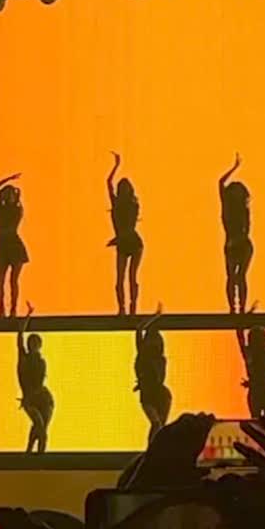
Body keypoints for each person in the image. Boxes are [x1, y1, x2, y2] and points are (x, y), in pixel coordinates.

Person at [0, 173, 28, 318]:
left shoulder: (18, 210)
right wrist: (8, 179)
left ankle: (13, 310)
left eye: (10, 194)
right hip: (2, 247)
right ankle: (1, 310)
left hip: (15, 246)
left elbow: (11, 229)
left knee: (13, 280)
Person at [107, 153, 143, 315]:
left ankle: (133, 307)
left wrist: (116, 239)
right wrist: (116, 166)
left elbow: (128, 229)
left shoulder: (133, 205)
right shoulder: (116, 203)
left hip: (133, 243)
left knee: (132, 276)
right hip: (122, 243)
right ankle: (122, 308)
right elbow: (108, 183)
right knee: (119, 279)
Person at [17, 304, 54, 454]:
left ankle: (37, 456)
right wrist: (28, 316)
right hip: (30, 399)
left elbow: (39, 383)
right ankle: (29, 452)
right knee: (39, 425)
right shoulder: (24, 357)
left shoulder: (41, 361)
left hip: (44, 399)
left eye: (36, 344)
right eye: (31, 343)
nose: (33, 346)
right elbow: (19, 335)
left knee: (42, 429)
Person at [218, 154, 253, 313]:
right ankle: (233, 308)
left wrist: (238, 240)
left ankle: (241, 308)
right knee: (232, 277)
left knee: (240, 277)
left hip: (242, 244)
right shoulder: (227, 205)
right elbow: (220, 183)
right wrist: (234, 168)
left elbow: (247, 229)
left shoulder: (243, 210)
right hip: (232, 244)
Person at [134, 304, 172, 445]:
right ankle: (151, 449)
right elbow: (139, 329)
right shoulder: (144, 354)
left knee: (160, 426)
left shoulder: (159, 359)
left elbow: (158, 378)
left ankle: (156, 449)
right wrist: (155, 316)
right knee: (156, 424)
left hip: (160, 394)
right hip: (149, 394)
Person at [237, 325, 265, 418]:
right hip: (263, 389)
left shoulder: (250, 355)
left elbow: (241, 340)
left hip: (257, 390)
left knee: (257, 419)